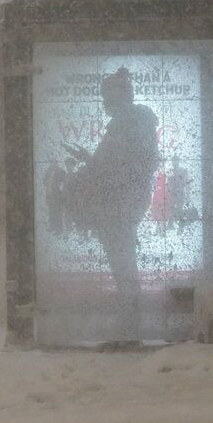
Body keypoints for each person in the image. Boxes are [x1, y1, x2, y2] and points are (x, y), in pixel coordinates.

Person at [62, 67, 159, 309]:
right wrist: (89, 160)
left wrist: (90, 164)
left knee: (120, 250)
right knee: (121, 249)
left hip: (121, 198)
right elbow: (116, 163)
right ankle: (128, 296)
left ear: (118, 97)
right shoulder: (131, 123)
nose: (105, 102)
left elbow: (118, 166)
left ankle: (129, 300)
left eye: (107, 97)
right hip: (125, 196)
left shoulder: (128, 124)